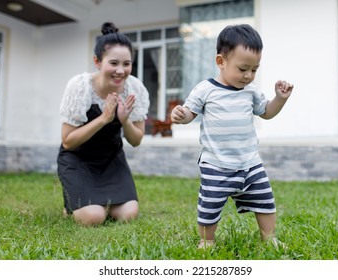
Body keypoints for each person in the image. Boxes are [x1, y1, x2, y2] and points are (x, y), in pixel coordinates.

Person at [171, 24, 293, 249]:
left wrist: (280, 99)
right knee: (209, 206)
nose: (248, 76)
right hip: (216, 165)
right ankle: (207, 240)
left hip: (249, 163)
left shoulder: (251, 91)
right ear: (221, 61)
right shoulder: (205, 89)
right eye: (243, 68)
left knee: (266, 200)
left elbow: (266, 112)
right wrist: (181, 115)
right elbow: (190, 112)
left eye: (254, 70)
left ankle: (269, 237)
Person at [57, 22, 149, 226]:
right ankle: (74, 204)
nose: (121, 71)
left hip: (111, 159)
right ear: (97, 62)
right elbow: (68, 143)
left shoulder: (135, 88)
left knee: (128, 214)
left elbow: (136, 141)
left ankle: (97, 202)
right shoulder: (80, 87)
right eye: (114, 63)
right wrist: (103, 119)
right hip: (78, 158)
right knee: (93, 217)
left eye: (127, 64)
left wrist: (124, 121)